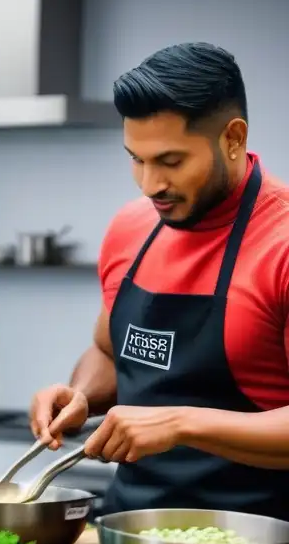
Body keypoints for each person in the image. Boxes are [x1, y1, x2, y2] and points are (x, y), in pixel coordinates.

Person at [29, 42, 289, 517]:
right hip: (129, 532)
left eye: (171, 162)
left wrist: (181, 423)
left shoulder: (282, 244)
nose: (149, 185)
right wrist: (82, 395)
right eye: (136, 159)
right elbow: (109, 352)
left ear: (233, 138)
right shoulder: (131, 229)